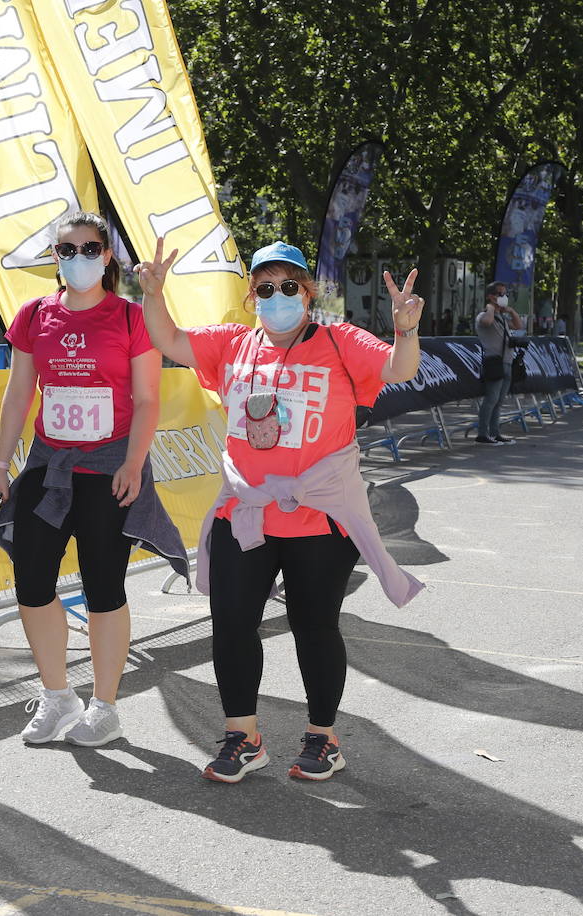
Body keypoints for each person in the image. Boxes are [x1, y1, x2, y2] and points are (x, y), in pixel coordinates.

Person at [137, 238, 425, 783]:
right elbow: (169, 339)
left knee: (313, 626)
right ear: (251, 298)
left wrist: (405, 329)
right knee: (231, 624)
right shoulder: (232, 344)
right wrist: (153, 293)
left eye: (288, 286)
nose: (276, 296)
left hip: (319, 515)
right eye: (265, 288)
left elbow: (399, 370)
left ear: (309, 293)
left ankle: (323, 738)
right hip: (246, 512)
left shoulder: (340, 341)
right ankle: (242, 737)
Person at [0, 211, 188, 749]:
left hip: (111, 468)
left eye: (89, 248)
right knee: (31, 583)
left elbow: (147, 400)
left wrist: (134, 462)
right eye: (66, 250)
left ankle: (104, 707)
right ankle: (57, 696)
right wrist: (2, 469)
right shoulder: (34, 316)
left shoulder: (129, 318)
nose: (78, 259)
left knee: (103, 588)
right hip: (49, 469)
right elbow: (18, 395)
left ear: (107, 256)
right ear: (55, 258)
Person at [475, 282, 524, 445]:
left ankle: (495, 433)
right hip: (494, 362)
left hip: (507, 362)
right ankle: (482, 433)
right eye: (500, 294)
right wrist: (490, 307)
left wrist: (510, 311)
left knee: (499, 401)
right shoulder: (484, 315)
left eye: (505, 294)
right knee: (491, 399)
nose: (503, 297)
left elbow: (518, 326)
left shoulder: (502, 318)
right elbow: (487, 322)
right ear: (491, 296)